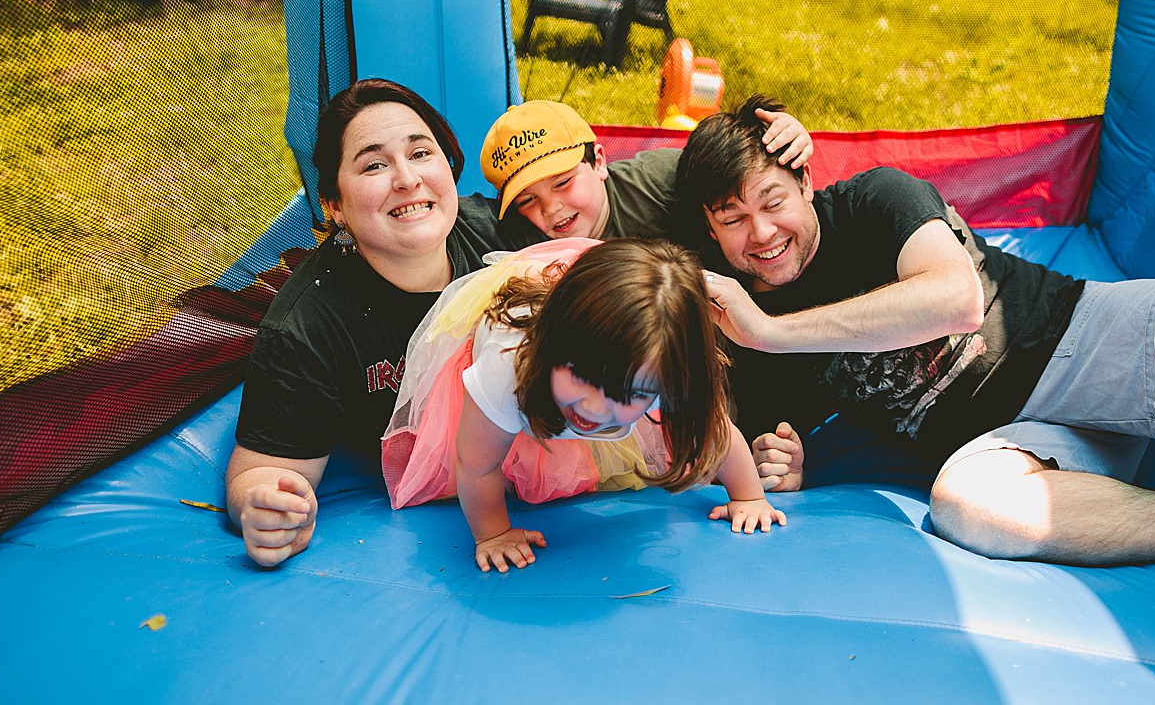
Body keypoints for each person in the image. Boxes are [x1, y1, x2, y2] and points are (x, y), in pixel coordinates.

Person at [679, 95, 1155, 583]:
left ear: (805, 184)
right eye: (733, 220)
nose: (762, 234)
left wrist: (775, 332)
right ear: (710, 230)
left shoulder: (875, 199)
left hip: (1075, 339)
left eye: (772, 202)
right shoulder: (737, 319)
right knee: (970, 509)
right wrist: (800, 457)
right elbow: (745, 439)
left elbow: (956, 299)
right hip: (1015, 443)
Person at [227, 81, 809, 567]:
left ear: (449, 172)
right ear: (331, 203)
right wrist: (264, 503)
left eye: (421, 153)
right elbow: (263, 473)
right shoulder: (311, 323)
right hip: (506, 432)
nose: (407, 179)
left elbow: (718, 182)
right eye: (375, 165)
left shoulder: (505, 232)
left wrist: (776, 135)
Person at [386, 237, 785, 572]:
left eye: (628, 396)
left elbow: (715, 433)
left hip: (609, 335)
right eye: (582, 377)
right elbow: (477, 465)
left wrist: (748, 496)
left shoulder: (662, 372)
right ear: (554, 348)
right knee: (498, 449)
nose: (594, 409)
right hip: (532, 337)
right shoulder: (508, 367)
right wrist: (493, 533)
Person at [480, 99, 811, 242]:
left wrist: (781, 138)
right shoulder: (521, 236)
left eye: (563, 182)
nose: (550, 208)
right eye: (527, 200)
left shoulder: (664, 179)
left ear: (598, 161)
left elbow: (745, 174)